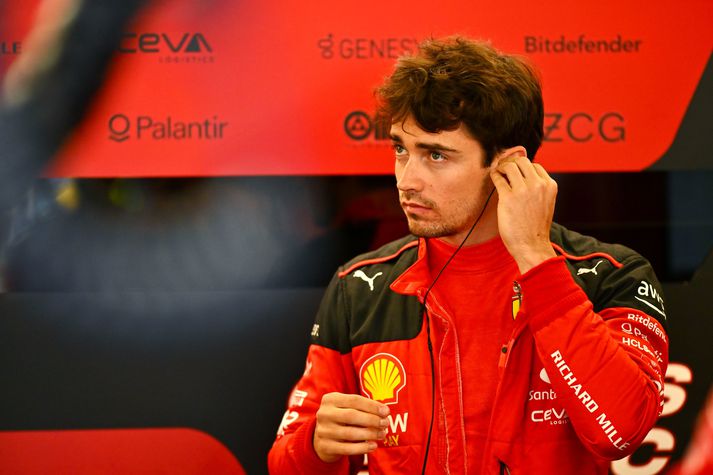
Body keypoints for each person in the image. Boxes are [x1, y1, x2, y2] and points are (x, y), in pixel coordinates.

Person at [268, 36, 669, 474]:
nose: (407, 180)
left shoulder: (610, 276)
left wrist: (537, 259)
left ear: (509, 165)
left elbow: (621, 431)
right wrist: (316, 445)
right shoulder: (360, 286)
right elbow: (284, 463)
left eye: (436, 155)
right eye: (402, 149)